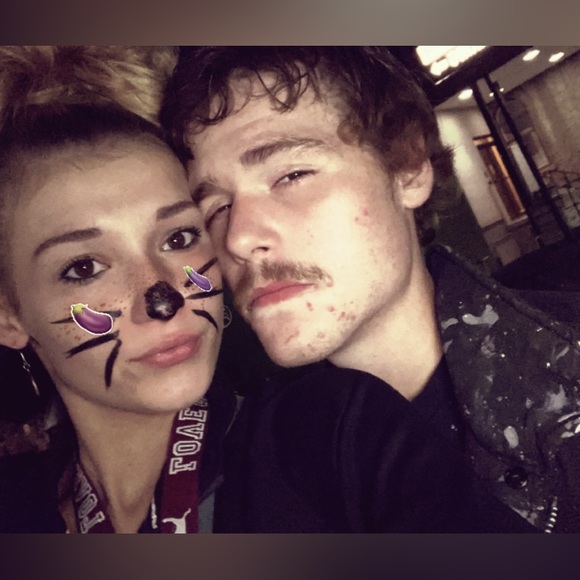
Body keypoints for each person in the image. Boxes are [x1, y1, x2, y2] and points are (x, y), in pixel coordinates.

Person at [159, 46, 580, 533]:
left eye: (292, 175)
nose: (238, 239)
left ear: (408, 168)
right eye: (215, 209)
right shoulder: (248, 479)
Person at [0, 46, 237, 533]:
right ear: (8, 315)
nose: (163, 299)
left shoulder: (333, 439)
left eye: (178, 238)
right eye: (85, 267)